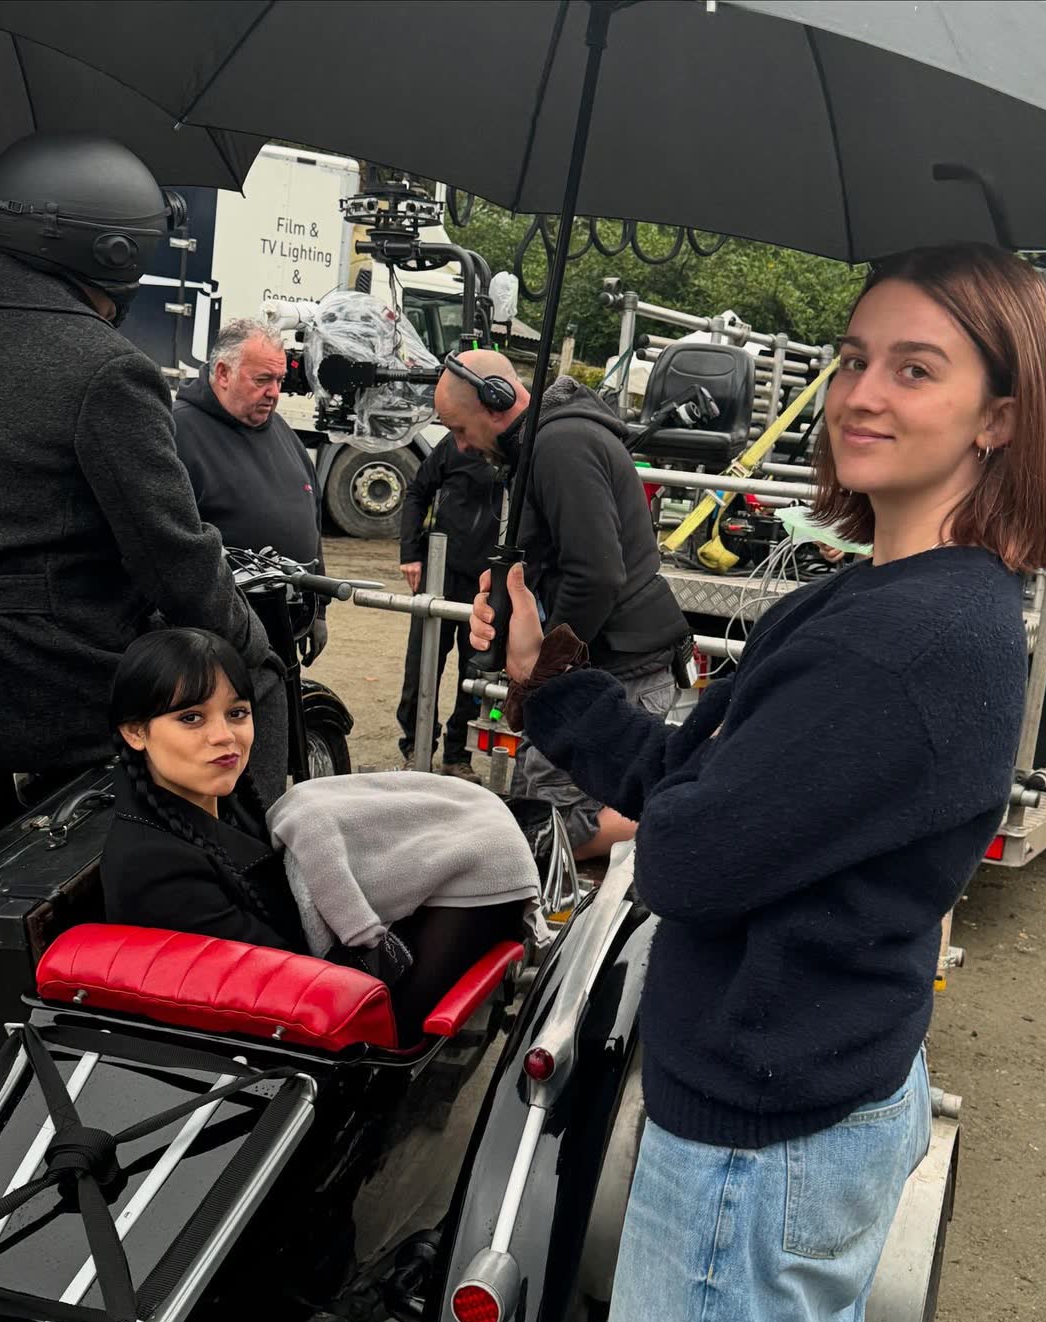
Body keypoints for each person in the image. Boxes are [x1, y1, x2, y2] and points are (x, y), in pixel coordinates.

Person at [470, 244, 1046, 1322]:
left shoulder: (906, 643)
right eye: (854, 359)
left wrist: (675, 810)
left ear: (999, 417)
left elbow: (686, 855)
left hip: (763, 1139)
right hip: (816, 1088)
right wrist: (549, 677)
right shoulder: (861, 599)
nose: (861, 394)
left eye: (915, 368)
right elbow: (686, 782)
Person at [0, 132, 285, 827]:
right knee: (259, 680)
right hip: (41, 674)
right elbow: (173, 556)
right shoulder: (107, 369)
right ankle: (251, 869)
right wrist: (248, 638)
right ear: (116, 252)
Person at [103, 627, 522, 1042]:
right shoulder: (153, 865)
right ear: (135, 731)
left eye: (237, 713)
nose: (224, 736)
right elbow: (279, 982)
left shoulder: (218, 795)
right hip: (311, 1027)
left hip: (317, 976)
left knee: (471, 843)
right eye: (191, 718)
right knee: (493, 867)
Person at [435, 350, 689, 857]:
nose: (460, 445)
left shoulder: (560, 443)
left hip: (615, 676)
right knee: (541, 824)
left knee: (554, 833)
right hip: (603, 671)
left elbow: (597, 574)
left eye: (460, 429)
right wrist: (510, 597)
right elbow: (568, 564)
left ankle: (683, 820)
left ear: (496, 401)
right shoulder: (546, 443)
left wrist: (541, 671)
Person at [174, 317, 329, 666]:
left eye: (279, 380)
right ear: (223, 373)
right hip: (215, 640)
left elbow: (312, 515)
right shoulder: (179, 431)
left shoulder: (282, 431)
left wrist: (318, 608)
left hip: (285, 629)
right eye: (262, 380)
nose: (274, 392)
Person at [396, 433, 505, 780]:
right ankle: (416, 747)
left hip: (488, 579)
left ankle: (458, 755)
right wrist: (410, 553)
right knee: (421, 663)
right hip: (440, 570)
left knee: (476, 673)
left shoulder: (517, 448)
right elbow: (417, 492)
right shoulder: (455, 442)